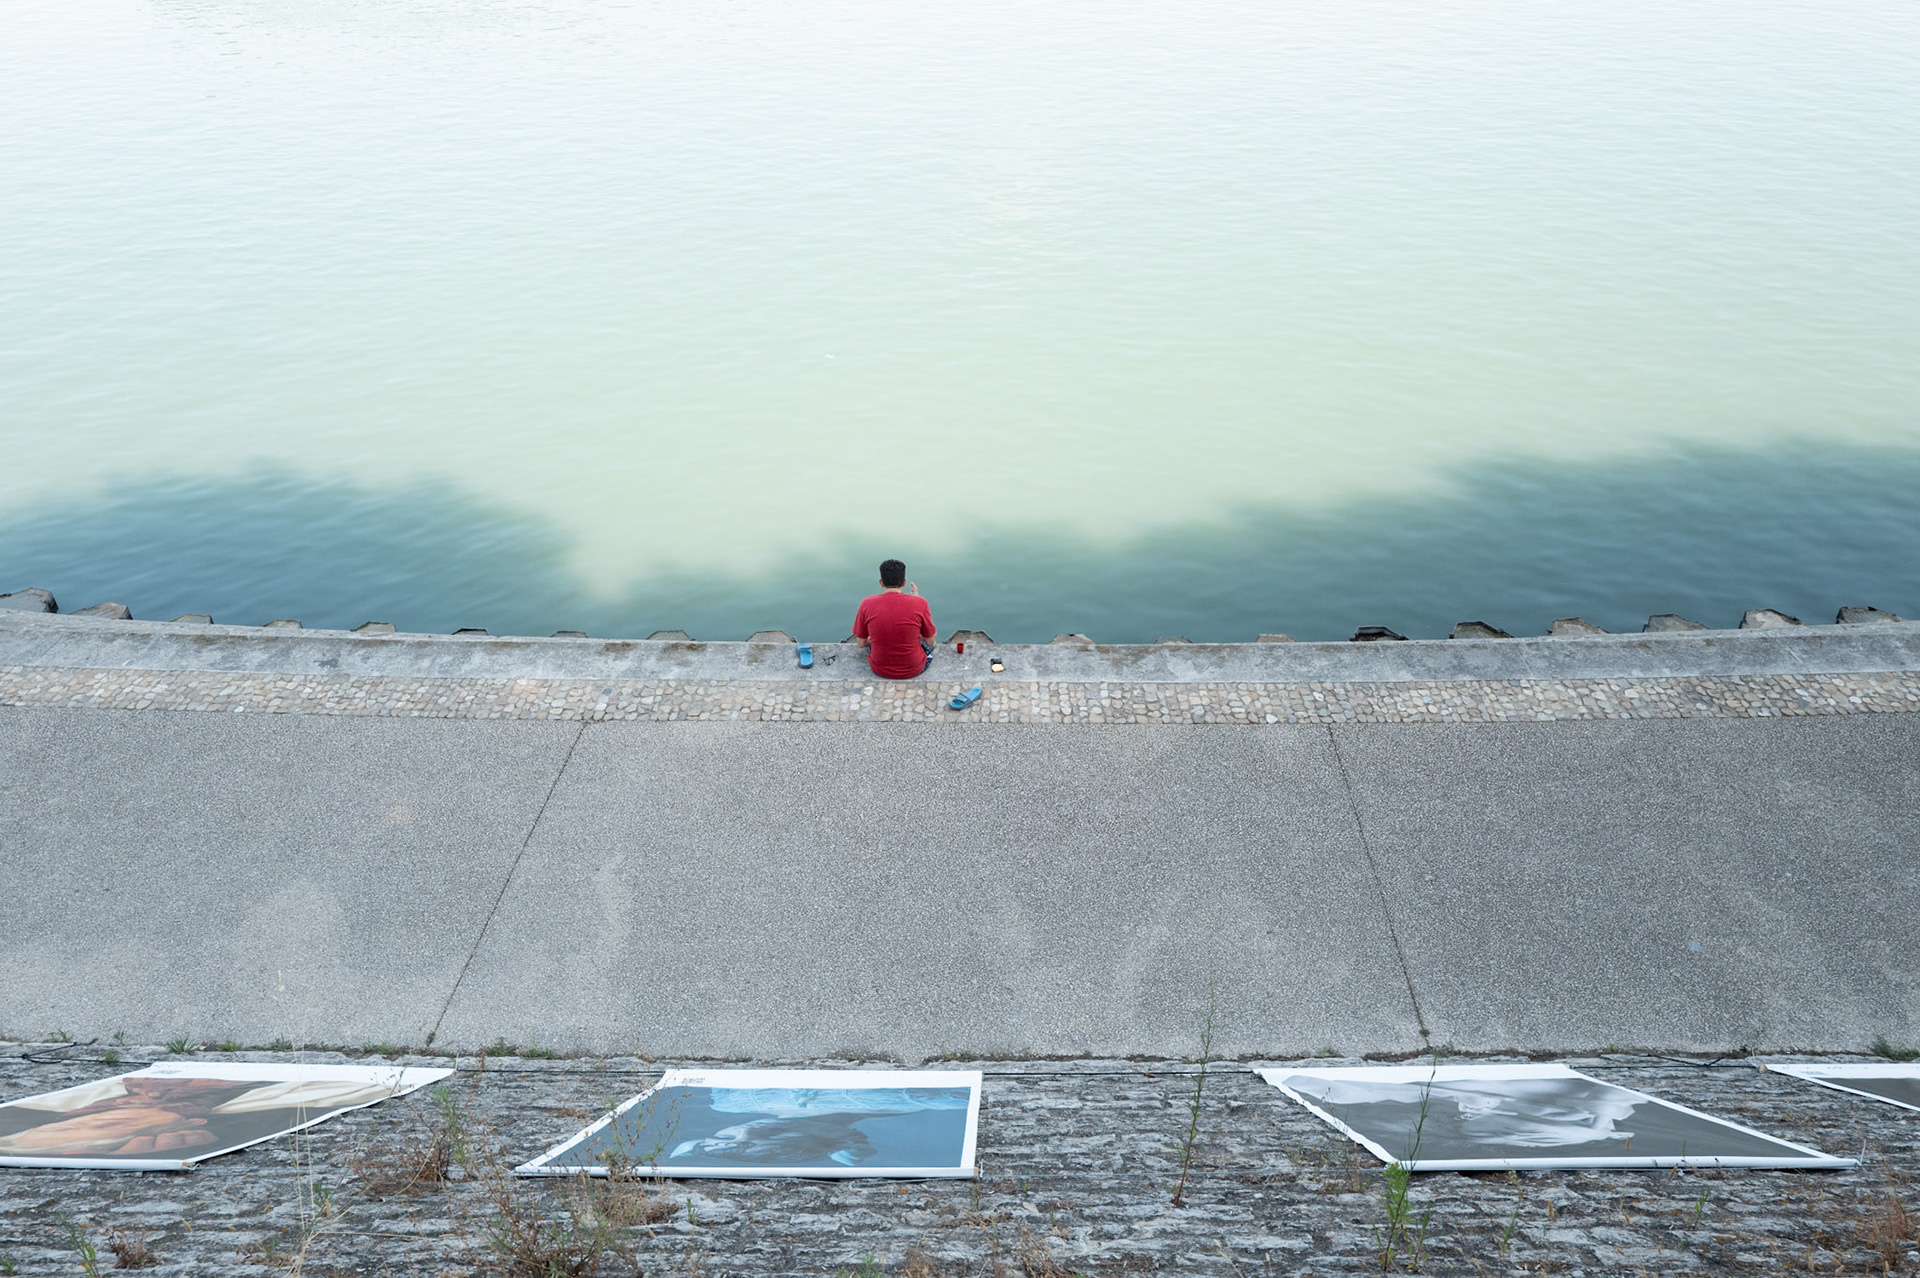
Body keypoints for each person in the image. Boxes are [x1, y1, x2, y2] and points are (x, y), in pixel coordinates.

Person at [853, 560, 935, 679]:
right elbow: (930, 641)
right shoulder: (920, 603)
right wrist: (916, 599)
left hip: (879, 668)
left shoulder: (866, 604)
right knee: (924, 639)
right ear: (904, 582)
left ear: (881, 583)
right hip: (914, 668)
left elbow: (861, 643)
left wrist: (872, 639)